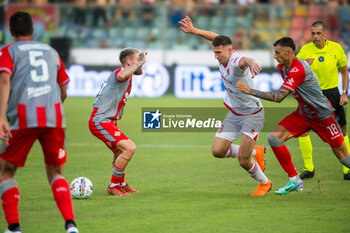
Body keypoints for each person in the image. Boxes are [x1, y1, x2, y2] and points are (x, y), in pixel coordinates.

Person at [236, 37, 350, 195]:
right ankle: (294, 180)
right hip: (303, 114)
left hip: (322, 116)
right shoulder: (283, 67)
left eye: (277, 53)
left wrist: (250, 90)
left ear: (288, 52)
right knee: (274, 138)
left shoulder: (297, 69)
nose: (274, 56)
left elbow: (279, 97)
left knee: (343, 156)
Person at [0, 12, 78, 233]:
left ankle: (14, 228)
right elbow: (63, 89)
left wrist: (0, 116)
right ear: (33, 31)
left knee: (5, 171)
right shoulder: (51, 51)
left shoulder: (7, 51)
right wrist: (54, 106)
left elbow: (4, 79)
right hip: (54, 119)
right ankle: (70, 225)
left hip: (23, 119)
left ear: (11, 31)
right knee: (56, 171)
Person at [179, 16, 271, 196]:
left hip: (252, 113)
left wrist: (252, 62)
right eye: (214, 52)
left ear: (230, 51)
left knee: (243, 161)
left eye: (219, 53)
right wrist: (195, 30)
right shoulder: (224, 53)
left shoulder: (237, 63)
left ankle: (264, 183)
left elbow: (245, 60)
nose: (216, 56)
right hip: (234, 113)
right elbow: (215, 36)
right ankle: (256, 152)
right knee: (218, 151)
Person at [88, 48, 147, 196]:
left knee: (120, 150)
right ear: (129, 62)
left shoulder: (130, 73)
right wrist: (139, 63)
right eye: (136, 59)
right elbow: (122, 75)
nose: (140, 62)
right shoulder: (121, 72)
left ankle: (120, 183)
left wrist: (139, 63)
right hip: (101, 121)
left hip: (108, 121)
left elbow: (135, 72)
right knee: (129, 148)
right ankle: (113, 186)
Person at [296, 21, 350, 180]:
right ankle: (309, 168)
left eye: (319, 33)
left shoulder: (336, 48)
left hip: (332, 93)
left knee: (342, 130)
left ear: (325, 34)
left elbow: (344, 72)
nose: (315, 37)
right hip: (311, 95)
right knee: (304, 130)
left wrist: (345, 93)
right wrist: (304, 64)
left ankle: (347, 170)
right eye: (313, 33)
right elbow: (294, 70)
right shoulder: (305, 50)